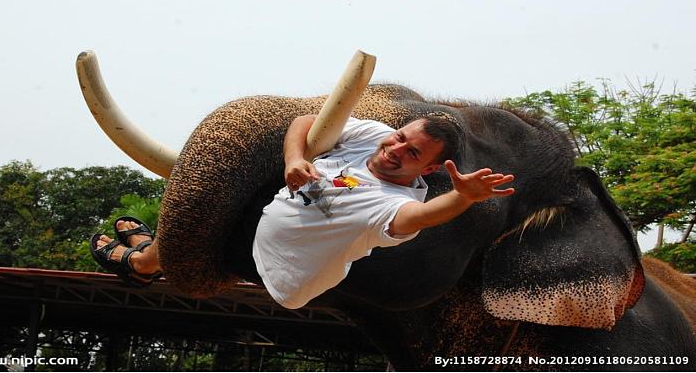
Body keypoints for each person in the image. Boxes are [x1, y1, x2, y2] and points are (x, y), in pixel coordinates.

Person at [91, 113, 515, 305]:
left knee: (212, 201)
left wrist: (464, 197)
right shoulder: (375, 135)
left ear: (431, 168)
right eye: (400, 137)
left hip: (280, 273)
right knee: (238, 180)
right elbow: (303, 122)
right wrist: (294, 160)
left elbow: (418, 219)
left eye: (412, 152)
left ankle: (146, 261)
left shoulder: (392, 203)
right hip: (282, 213)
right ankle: (152, 253)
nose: (395, 149)